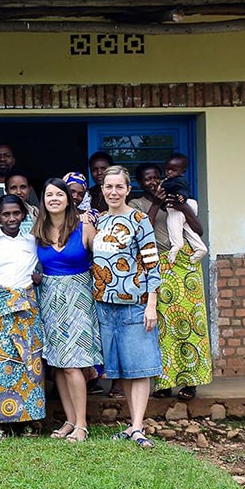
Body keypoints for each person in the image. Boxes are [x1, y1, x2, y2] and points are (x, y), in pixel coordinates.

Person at [92, 165, 163, 449]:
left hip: (135, 303)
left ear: (127, 189)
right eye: (108, 187)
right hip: (104, 305)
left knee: (139, 366)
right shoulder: (98, 221)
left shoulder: (139, 219)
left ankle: (137, 426)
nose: (113, 192)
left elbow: (151, 263)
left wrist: (151, 304)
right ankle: (132, 426)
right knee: (121, 370)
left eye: (119, 186)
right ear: (102, 189)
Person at [129, 161, 212, 401]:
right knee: (162, 326)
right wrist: (156, 203)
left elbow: (199, 230)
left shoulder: (178, 198)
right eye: (147, 179)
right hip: (158, 266)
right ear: (139, 183)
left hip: (185, 265)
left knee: (190, 322)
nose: (153, 181)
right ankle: (164, 382)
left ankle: (191, 381)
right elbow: (140, 229)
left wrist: (183, 207)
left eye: (156, 177)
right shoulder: (136, 205)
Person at [33, 178, 102, 443]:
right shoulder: (38, 230)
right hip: (50, 299)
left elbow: (101, 261)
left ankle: (82, 425)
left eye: (59, 194)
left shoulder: (84, 225)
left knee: (74, 363)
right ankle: (69, 420)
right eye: (49, 194)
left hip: (79, 298)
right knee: (59, 365)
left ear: (68, 198)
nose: (54, 199)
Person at [0, 195, 45, 438]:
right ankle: (0, 421)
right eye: (6, 214)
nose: (11, 219)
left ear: (24, 215)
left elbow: (39, 268)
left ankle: (29, 419)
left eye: (16, 213)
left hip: (26, 307)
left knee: (29, 364)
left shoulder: (32, 241)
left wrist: (38, 276)